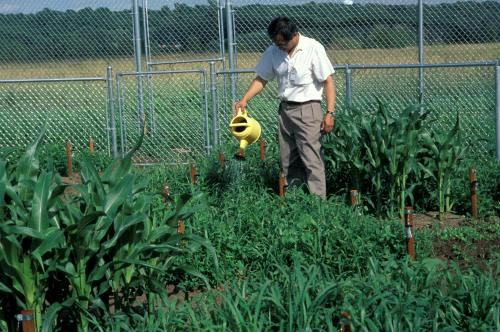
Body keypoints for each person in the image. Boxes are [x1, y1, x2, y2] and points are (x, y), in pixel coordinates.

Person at [234, 16, 336, 199]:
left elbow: (328, 81)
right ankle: (294, 198)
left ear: (295, 35)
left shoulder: (313, 48)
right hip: (285, 111)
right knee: (287, 158)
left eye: (282, 42)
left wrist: (329, 113)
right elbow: (261, 79)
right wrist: (244, 100)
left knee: (312, 159)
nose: (279, 45)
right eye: (275, 42)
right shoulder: (273, 51)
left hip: (308, 109)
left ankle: (318, 203)